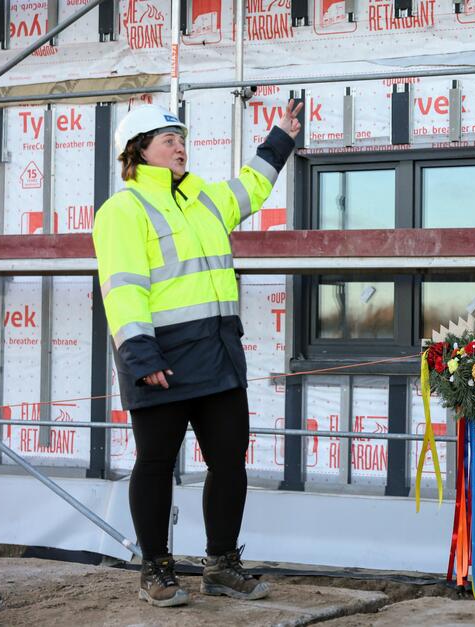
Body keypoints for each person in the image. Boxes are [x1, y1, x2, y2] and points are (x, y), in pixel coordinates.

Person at [93, 100, 302, 606]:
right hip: (159, 359)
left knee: (229, 461)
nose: (180, 146)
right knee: (156, 463)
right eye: (168, 139)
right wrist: (141, 357)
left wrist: (281, 137)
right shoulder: (123, 209)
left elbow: (252, 187)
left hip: (217, 355)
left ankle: (221, 565)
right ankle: (156, 570)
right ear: (138, 152)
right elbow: (122, 288)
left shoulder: (204, 197)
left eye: (181, 138)